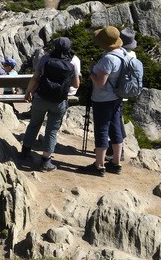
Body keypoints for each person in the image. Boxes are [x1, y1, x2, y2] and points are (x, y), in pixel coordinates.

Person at [21, 36, 80, 172]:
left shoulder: (45, 59)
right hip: (59, 101)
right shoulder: (74, 61)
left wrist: (28, 92)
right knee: (52, 130)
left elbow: (35, 78)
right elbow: (76, 84)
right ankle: (46, 161)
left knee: (34, 124)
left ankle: (25, 152)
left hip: (41, 97)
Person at [87, 26, 128, 176]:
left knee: (102, 130)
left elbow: (100, 83)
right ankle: (116, 164)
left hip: (103, 100)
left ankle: (99, 165)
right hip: (117, 97)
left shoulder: (108, 59)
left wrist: (91, 72)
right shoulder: (123, 53)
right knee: (116, 128)